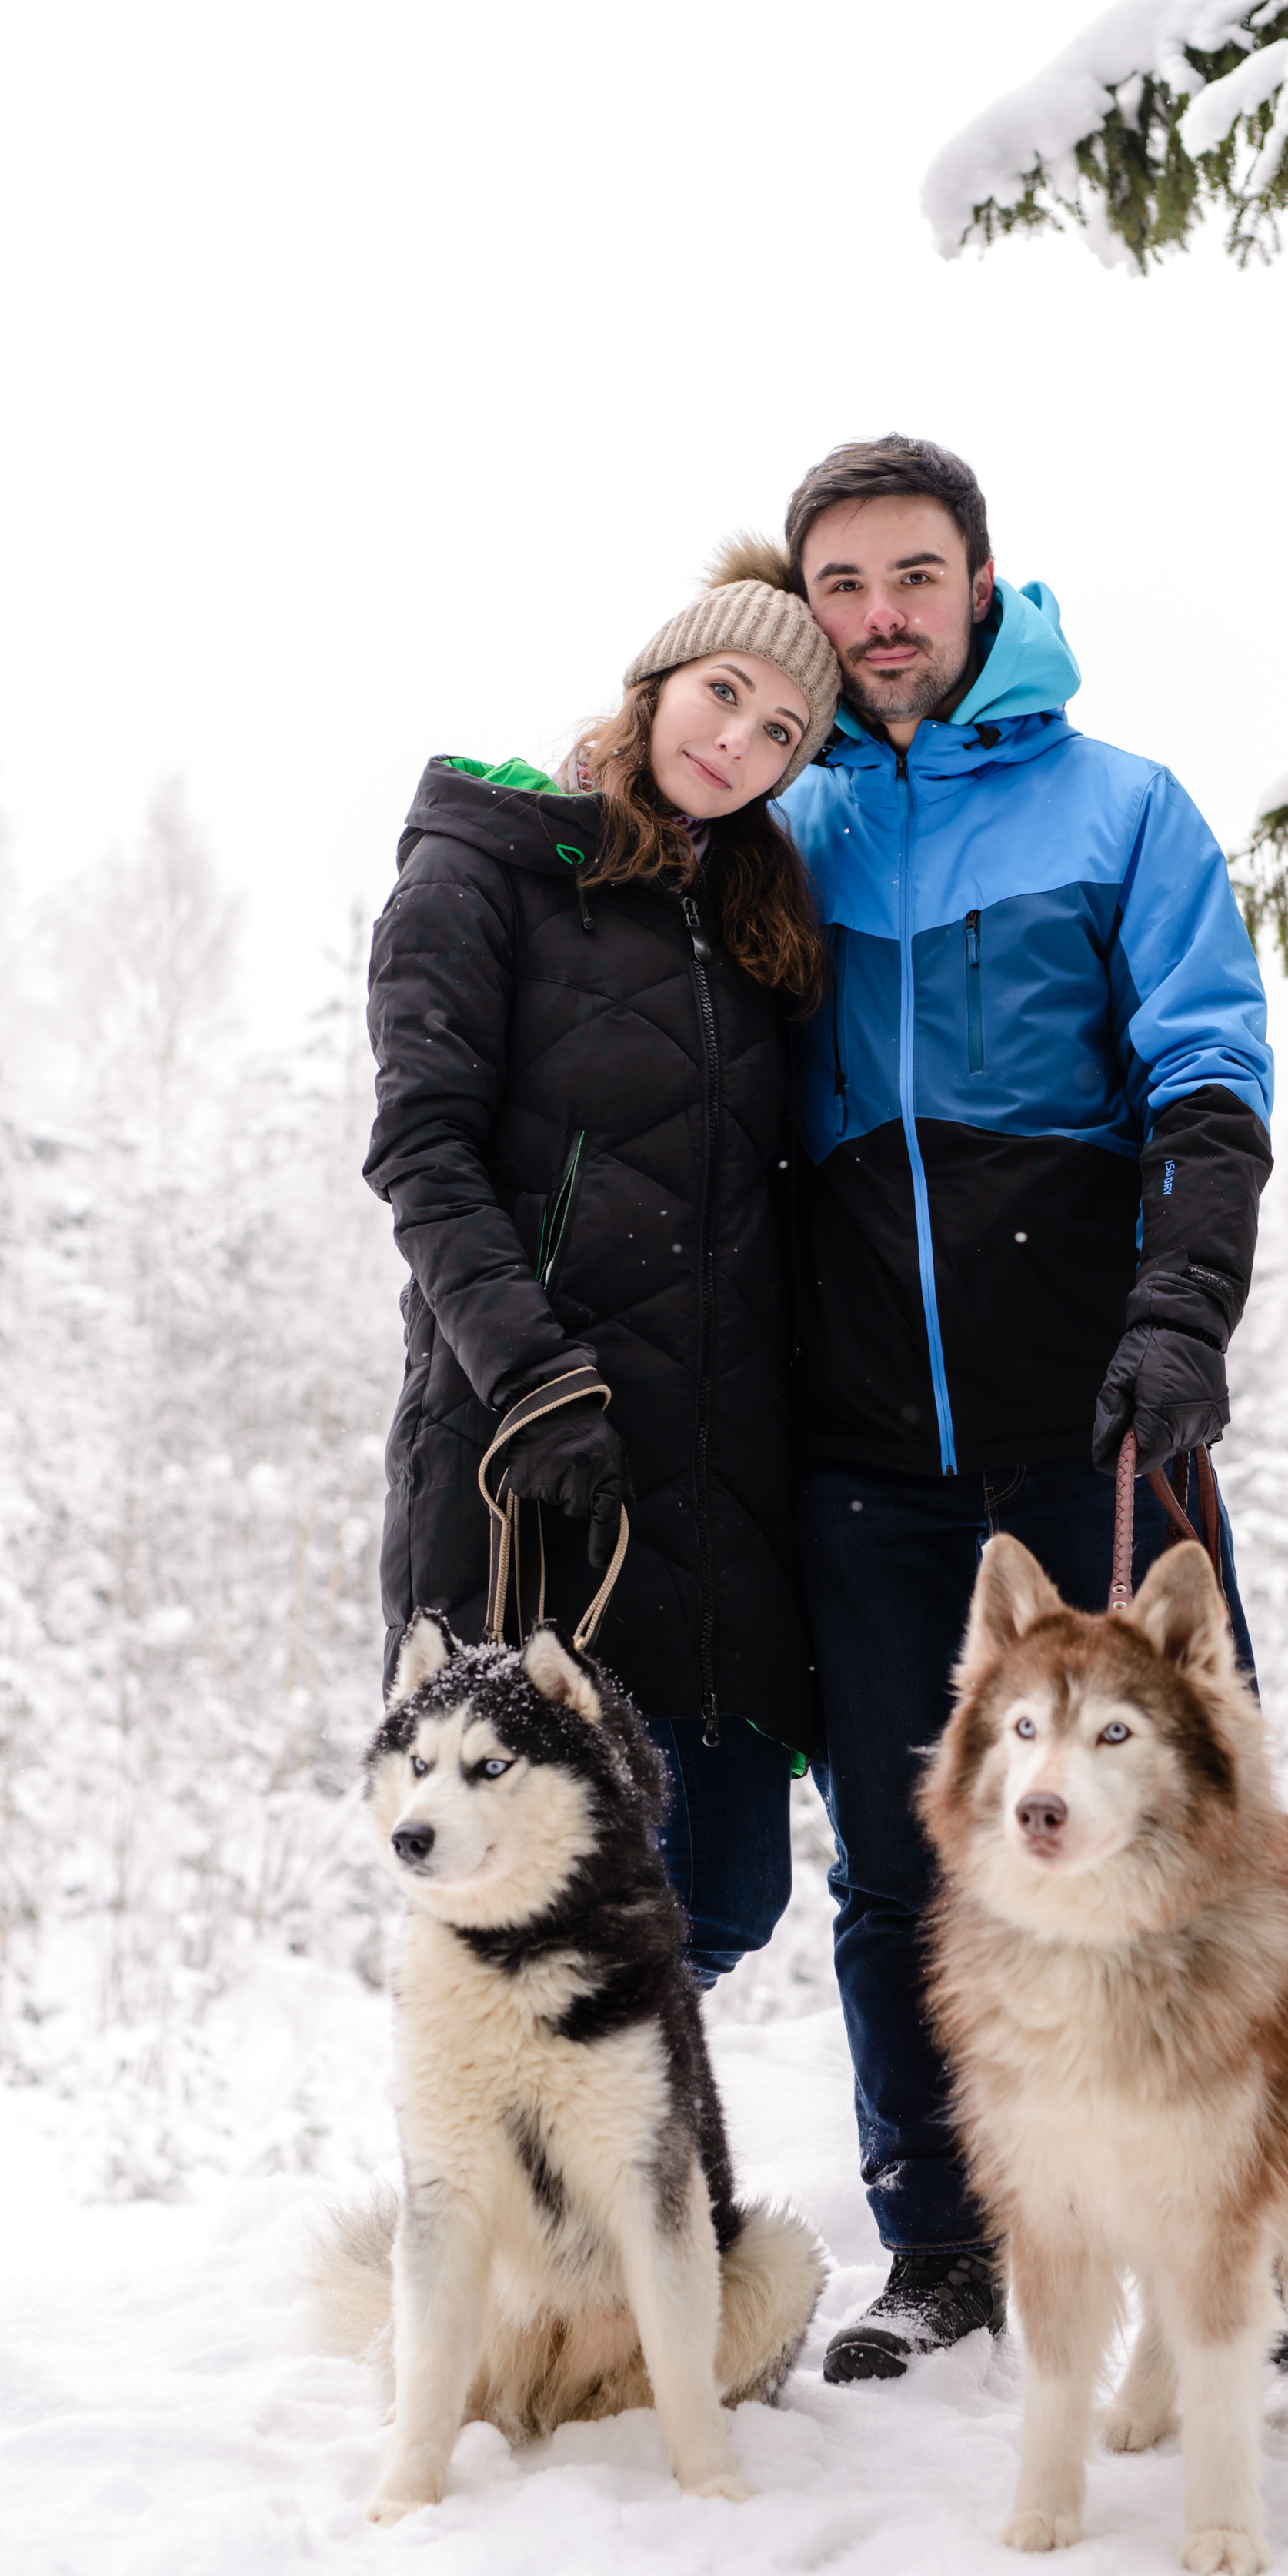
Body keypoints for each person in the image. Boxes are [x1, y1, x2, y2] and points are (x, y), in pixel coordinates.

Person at [780, 435, 1288, 2420]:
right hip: (856, 1445)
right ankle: (944, 2241)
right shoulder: (789, 829)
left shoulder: (1120, 810)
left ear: (982, 587)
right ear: (805, 604)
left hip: (1095, 1416)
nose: (880, 615)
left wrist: (1177, 1311)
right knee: (909, 1865)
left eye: (913, 575)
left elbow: (1206, 1072)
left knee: (1202, 1835)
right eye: (842, 584)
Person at [363, 545, 839, 1979]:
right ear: (655, 681)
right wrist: (534, 1379)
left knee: (724, 1893)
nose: (737, 743)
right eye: (724, 693)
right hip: (530, 1470)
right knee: (531, 1916)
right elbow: (422, 1152)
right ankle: (510, 2192)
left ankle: (598, 2184)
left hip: (717, 1496)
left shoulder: (753, 926)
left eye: (781, 736)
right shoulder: (487, 864)